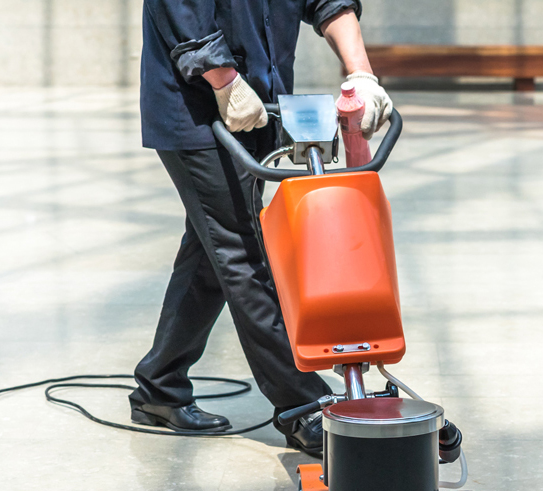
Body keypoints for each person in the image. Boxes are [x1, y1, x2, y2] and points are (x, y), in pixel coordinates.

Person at [131, 0, 392, 456]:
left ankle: (160, 384)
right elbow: (180, 10)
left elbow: (326, 2)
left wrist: (361, 74)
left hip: (260, 104)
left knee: (212, 247)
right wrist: (226, 81)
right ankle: (300, 405)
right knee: (241, 250)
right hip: (198, 111)